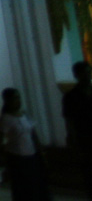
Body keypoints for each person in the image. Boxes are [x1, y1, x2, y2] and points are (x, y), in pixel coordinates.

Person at [1, 88, 51, 201]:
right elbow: (2, 139)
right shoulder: (6, 119)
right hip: (17, 157)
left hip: (32, 155)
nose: (18, 101)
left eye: (19, 98)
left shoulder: (24, 114)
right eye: (15, 98)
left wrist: (41, 151)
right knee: (23, 188)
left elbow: (33, 133)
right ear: (7, 101)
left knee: (37, 185)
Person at [63, 61, 92, 198]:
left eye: (88, 72)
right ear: (76, 75)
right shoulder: (71, 97)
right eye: (83, 73)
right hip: (85, 139)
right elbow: (69, 120)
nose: (87, 76)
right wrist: (72, 139)